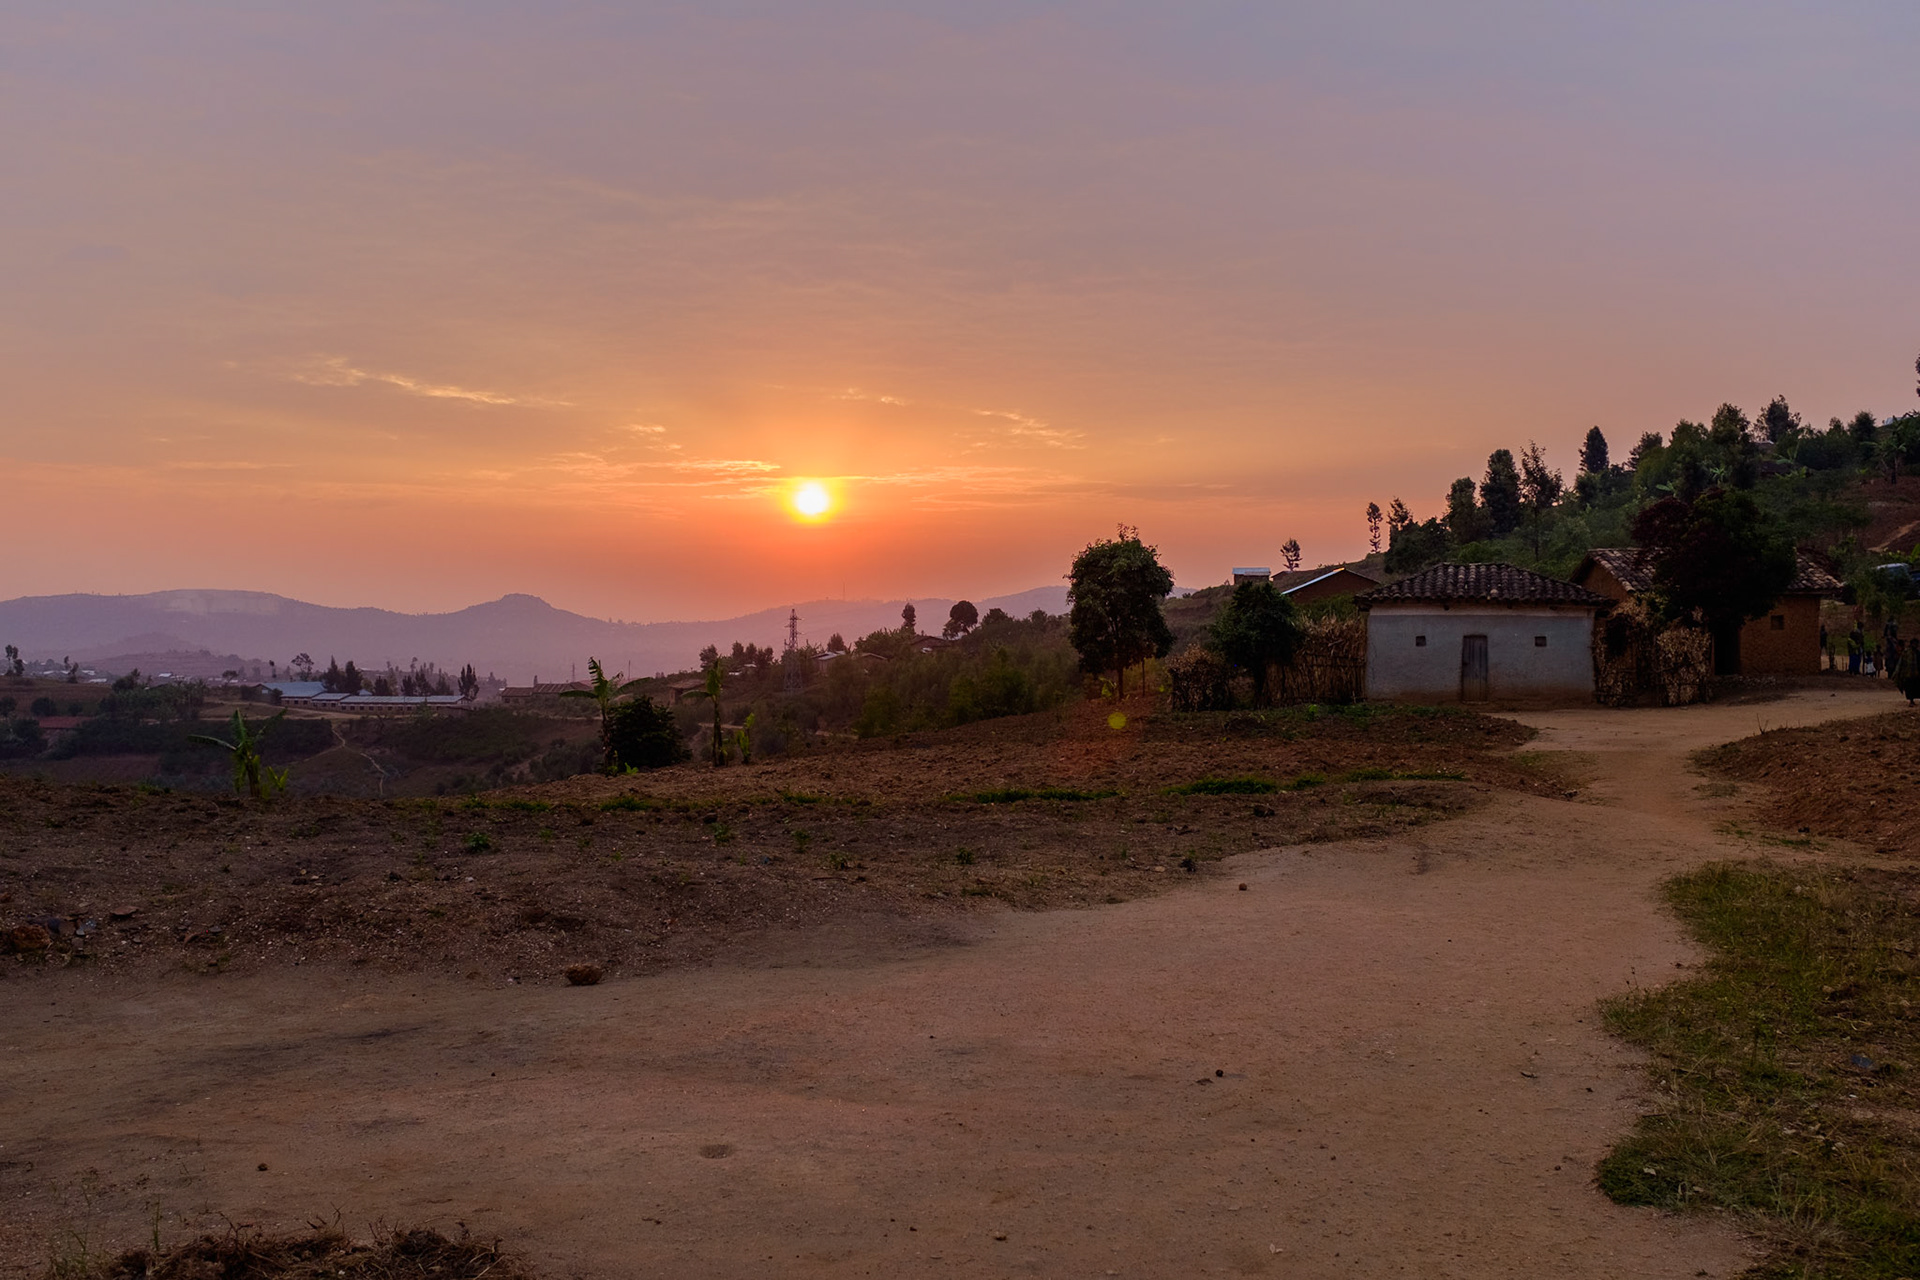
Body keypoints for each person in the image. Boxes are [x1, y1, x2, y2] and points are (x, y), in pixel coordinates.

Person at [1900, 638, 1920, 707]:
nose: (1916, 645)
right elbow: (1902, 663)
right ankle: (1911, 701)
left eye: (1917, 644)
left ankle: (1913, 700)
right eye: (1915, 644)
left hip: (1916, 674)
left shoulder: (1917, 653)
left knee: (1916, 688)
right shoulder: (1906, 652)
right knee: (1909, 688)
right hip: (1908, 674)